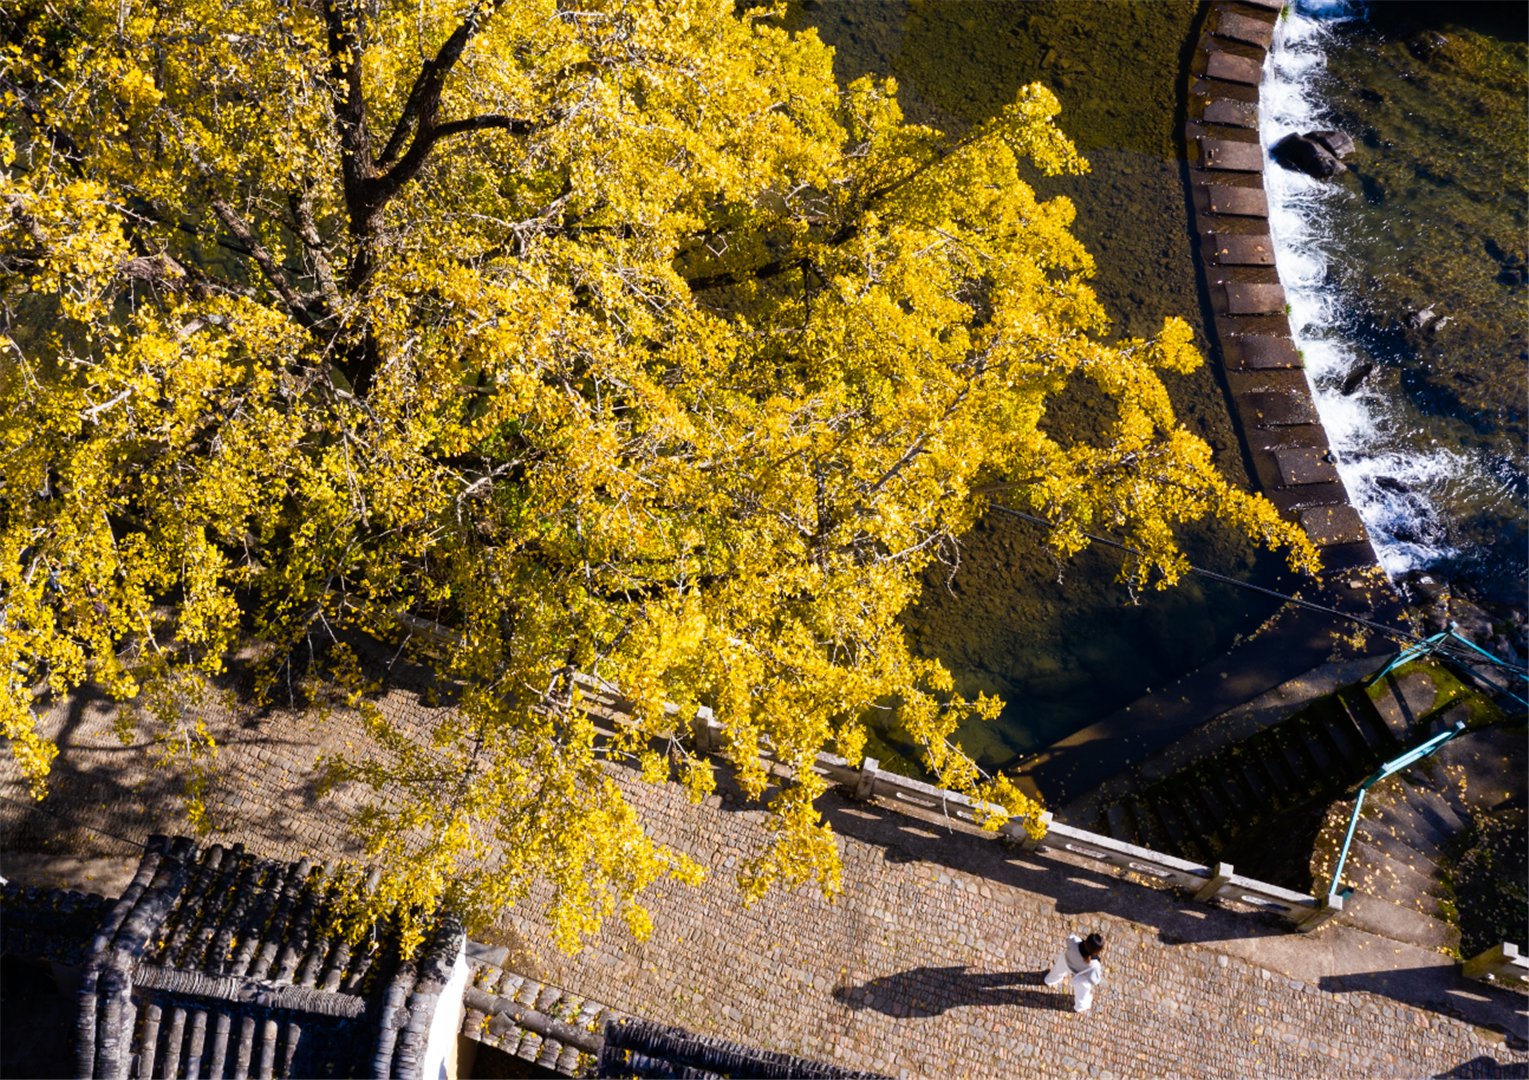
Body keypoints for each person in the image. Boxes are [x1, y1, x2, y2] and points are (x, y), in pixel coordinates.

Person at [1044, 931, 1104, 1012]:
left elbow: (1069, 938)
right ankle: (1080, 1006)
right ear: (1097, 951)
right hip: (1080, 975)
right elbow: (1095, 980)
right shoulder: (1095, 965)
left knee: (1057, 971)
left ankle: (1049, 980)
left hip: (1066, 962)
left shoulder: (1074, 941)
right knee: (1083, 991)